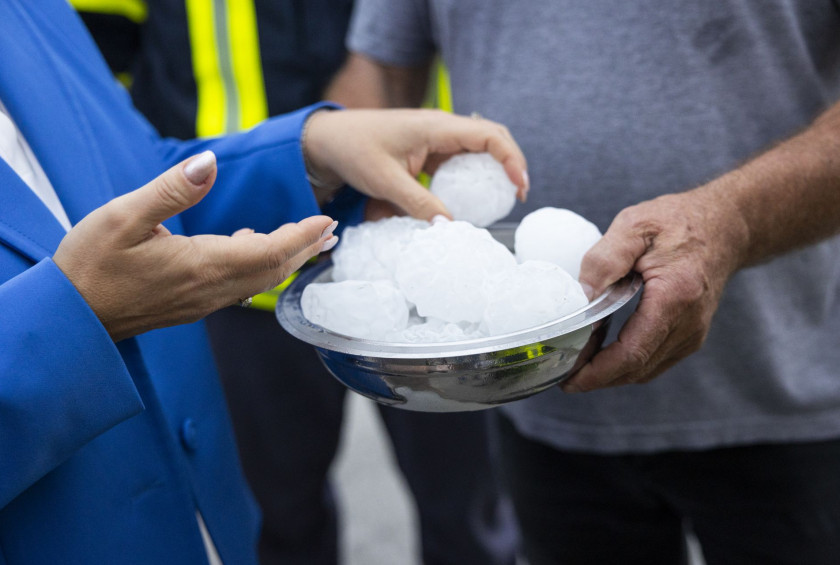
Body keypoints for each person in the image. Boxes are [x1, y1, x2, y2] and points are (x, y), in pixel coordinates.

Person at [0, 1, 529, 563]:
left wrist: (308, 152)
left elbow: (121, 163)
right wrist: (76, 315)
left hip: (403, 240)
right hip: (226, 302)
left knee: (466, 512)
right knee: (286, 518)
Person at [327, 1, 840, 563]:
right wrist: (340, 193)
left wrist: (732, 221)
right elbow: (380, 66)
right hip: (538, 398)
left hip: (782, 393)